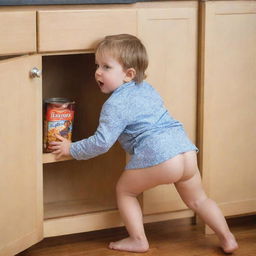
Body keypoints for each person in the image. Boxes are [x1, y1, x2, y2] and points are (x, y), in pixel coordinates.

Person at [50, 34, 238, 253]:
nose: (98, 72)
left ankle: (138, 239)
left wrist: (71, 149)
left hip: (161, 155)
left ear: (129, 74)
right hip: (185, 150)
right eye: (97, 65)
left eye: (106, 67)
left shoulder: (115, 104)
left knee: (125, 191)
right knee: (199, 200)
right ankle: (227, 238)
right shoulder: (148, 89)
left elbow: (101, 143)